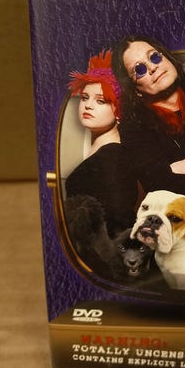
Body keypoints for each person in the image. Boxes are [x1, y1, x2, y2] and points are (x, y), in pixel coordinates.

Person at [111, 35, 185, 203]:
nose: (152, 67)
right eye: (140, 69)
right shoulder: (135, 129)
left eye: (154, 56)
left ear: (168, 59)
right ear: (135, 89)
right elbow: (158, 183)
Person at [64, 50, 139, 239]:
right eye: (85, 97)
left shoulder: (113, 157)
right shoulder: (103, 151)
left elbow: (119, 224)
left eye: (101, 101)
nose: (88, 105)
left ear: (119, 110)